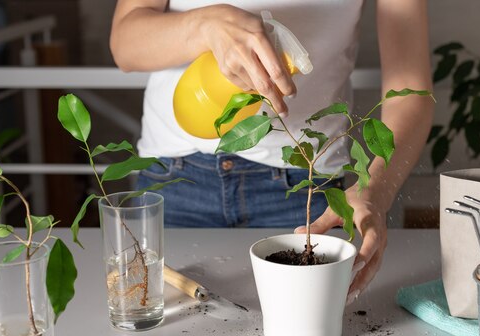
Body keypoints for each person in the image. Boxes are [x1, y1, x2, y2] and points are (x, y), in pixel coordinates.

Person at [110, 0, 434, 305]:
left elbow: (409, 90)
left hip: (305, 190)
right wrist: (205, 26)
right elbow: (125, 43)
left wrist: (374, 188)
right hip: (175, 181)